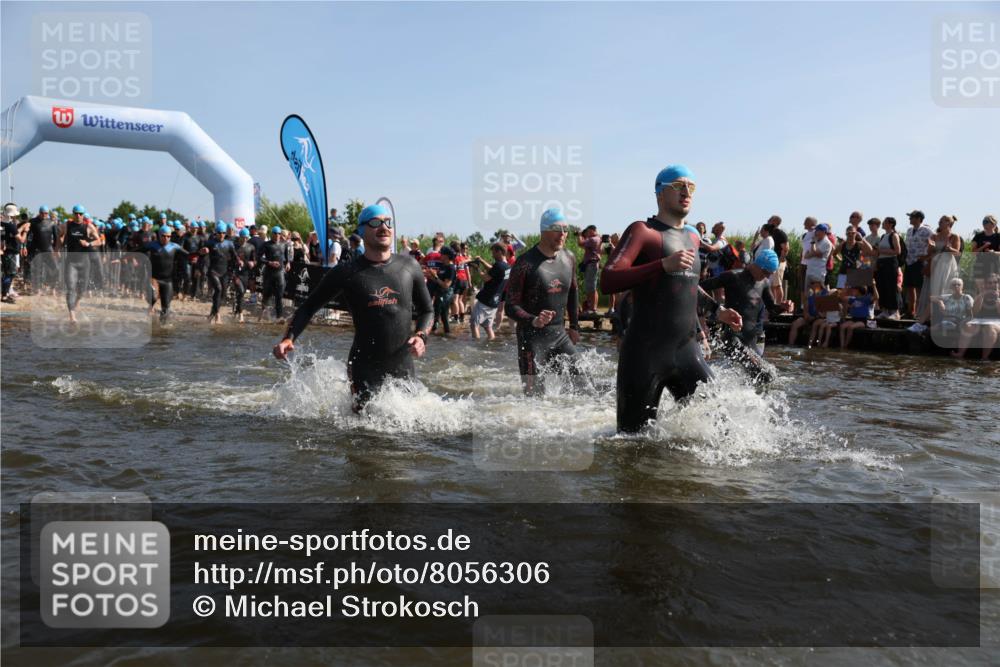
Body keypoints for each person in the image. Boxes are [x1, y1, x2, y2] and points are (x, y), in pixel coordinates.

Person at [600, 165, 740, 433]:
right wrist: (662, 265)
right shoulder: (643, 231)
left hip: (686, 352)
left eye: (691, 187)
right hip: (644, 354)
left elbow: (687, 284)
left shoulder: (692, 236)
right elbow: (608, 279)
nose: (686, 191)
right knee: (631, 442)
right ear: (660, 194)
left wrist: (717, 310)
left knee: (723, 431)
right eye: (678, 186)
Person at [273, 204, 433, 412]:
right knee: (361, 426)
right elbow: (308, 307)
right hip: (364, 368)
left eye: (388, 223)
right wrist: (288, 338)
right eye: (375, 223)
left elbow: (427, 310)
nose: (384, 227)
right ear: (362, 230)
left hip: (403, 366)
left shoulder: (409, 266)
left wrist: (421, 336)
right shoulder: (346, 272)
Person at [505, 208, 585, 397]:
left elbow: (573, 291)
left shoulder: (569, 258)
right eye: (557, 229)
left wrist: (574, 326)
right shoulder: (525, 263)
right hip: (531, 340)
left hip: (560, 335)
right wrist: (534, 319)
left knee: (584, 385)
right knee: (534, 399)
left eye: (565, 229)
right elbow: (510, 306)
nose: (563, 234)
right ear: (543, 230)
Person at [699, 249, 792, 385]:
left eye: (770, 274)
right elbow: (698, 289)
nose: (766, 276)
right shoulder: (732, 276)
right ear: (757, 265)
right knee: (764, 375)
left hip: (752, 339)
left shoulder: (764, 283)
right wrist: (704, 315)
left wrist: (783, 307)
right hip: (732, 339)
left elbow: (772, 309)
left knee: (758, 380)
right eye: (765, 272)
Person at [911, 215, 961, 333]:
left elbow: (957, 252)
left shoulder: (954, 236)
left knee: (944, 288)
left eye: (941, 221)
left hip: (947, 265)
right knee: (931, 288)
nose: (939, 222)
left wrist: (949, 249)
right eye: (939, 221)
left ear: (948, 223)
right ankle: (926, 317)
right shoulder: (934, 236)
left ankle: (943, 316)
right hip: (935, 263)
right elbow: (929, 252)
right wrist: (931, 247)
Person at [58, 205, 100, 323]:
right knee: (71, 288)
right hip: (71, 262)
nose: (78, 215)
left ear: (83, 214)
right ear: (73, 213)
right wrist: (57, 248)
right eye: (76, 213)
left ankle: (76, 302)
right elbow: (59, 235)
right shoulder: (67, 225)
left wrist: (88, 244)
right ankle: (72, 315)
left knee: (82, 290)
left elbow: (99, 241)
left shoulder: (88, 226)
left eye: (80, 213)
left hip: (84, 262)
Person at [144, 225, 188, 323]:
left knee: (166, 307)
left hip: (167, 280)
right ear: (159, 235)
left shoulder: (174, 246)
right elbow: (137, 250)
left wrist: (200, 253)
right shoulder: (152, 245)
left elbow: (188, 255)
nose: (166, 238)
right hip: (154, 278)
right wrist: (122, 258)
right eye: (163, 236)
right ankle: (150, 306)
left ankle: (163, 326)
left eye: (168, 236)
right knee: (153, 297)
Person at [470, 242, 510, 341]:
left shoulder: (499, 266)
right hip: (495, 301)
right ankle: (492, 344)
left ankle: (475, 345)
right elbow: (493, 270)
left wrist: (477, 268)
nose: (492, 255)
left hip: (486, 299)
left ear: (499, 252)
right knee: (488, 326)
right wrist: (482, 261)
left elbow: (486, 278)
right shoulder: (507, 267)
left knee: (474, 324)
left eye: (493, 252)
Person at [201, 221, 237, 324]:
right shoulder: (210, 243)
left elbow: (234, 256)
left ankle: (212, 314)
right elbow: (201, 254)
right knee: (218, 289)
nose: (221, 235)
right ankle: (217, 315)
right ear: (216, 233)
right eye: (219, 233)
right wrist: (203, 252)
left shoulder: (229, 243)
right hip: (213, 271)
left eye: (223, 233)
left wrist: (239, 261)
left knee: (222, 295)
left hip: (224, 272)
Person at [903, 210, 932, 319]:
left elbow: (933, 244)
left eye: (912, 217)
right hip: (909, 261)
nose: (910, 219)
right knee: (910, 287)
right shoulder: (909, 230)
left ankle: (921, 312)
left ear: (919, 218)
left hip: (919, 262)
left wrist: (926, 257)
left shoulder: (927, 230)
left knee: (920, 288)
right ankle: (911, 311)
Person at [259, 225, 290, 321]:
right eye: (275, 233)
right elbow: (259, 257)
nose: (277, 235)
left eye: (279, 234)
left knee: (279, 296)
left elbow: (287, 257)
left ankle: (279, 317)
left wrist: (288, 263)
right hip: (269, 273)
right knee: (266, 295)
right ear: (272, 234)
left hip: (279, 273)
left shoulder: (284, 244)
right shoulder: (266, 244)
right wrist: (270, 262)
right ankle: (263, 314)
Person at [874, 217, 903, 319]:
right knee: (882, 286)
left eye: (885, 222)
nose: (882, 223)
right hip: (881, 263)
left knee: (891, 287)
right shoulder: (883, 236)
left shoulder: (894, 235)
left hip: (890, 263)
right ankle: (885, 310)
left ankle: (895, 312)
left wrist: (881, 250)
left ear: (890, 224)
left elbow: (897, 251)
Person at [787, 277, 828, 345]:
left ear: (819, 284)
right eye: (810, 283)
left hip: (821, 318)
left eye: (812, 283)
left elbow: (825, 314)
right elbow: (805, 313)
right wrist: (808, 317)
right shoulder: (809, 296)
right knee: (795, 324)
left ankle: (809, 346)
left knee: (815, 324)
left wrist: (816, 316)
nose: (810, 285)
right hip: (810, 317)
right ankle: (790, 345)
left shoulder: (826, 295)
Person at [28, 205, 60, 294]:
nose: (44, 215)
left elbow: (56, 238)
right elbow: (28, 235)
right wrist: (25, 247)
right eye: (42, 213)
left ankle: (52, 288)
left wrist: (56, 250)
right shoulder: (33, 222)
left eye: (46, 213)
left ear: (48, 213)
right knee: (37, 270)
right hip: (37, 249)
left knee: (55, 268)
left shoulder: (52, 223)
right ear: (39, 213)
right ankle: (37, 289)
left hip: (48, 249)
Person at [425, 245, 456, 334]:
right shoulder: (443, 266)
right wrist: (430, 275)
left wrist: (435, 277)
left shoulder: (451, 268)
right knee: (437, 314)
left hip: (446, 294)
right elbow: (438, 280)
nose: (440, 256)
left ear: (446, 256)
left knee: (443, 315)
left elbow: (446, 285)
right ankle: (437, 335)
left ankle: (446, 334)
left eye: (441, 254)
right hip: (440, 293)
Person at [971, 215, 1000, 294]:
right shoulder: (978, 236)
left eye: (986, 222)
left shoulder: (998, 236)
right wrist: (983, 247)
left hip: (993, 265)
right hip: (980, 265)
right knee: (981, 290)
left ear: (993, 224)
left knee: (994, 290)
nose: (984, 223)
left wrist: (993, 252)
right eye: (983, 222)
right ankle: (980, 302)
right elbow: (973, 252)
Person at [233, 227, 257, 321]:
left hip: (245, 273)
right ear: (240, 237)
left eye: (247, 237)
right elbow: (229, 259)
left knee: (241, 294)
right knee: (240, 291)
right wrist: (237, 261)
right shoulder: (234, 246)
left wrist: (253, 263)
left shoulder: (251, 247)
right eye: (243, 237)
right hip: (235, 273)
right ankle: (241, 314)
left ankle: (237, 311)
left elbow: (255, 260)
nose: (245, 239)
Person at [578, 224, 602, 314]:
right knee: (591, 286)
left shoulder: (593, 239)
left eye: (587, 231)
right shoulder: (598, 238)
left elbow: (580, 244)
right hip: (593, 264)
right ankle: (592, 307)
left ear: (592, 230)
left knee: (591, 287)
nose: (587, 234)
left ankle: (592, 308)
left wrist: (580, 235)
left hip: (591, 264)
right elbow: (584, 246)